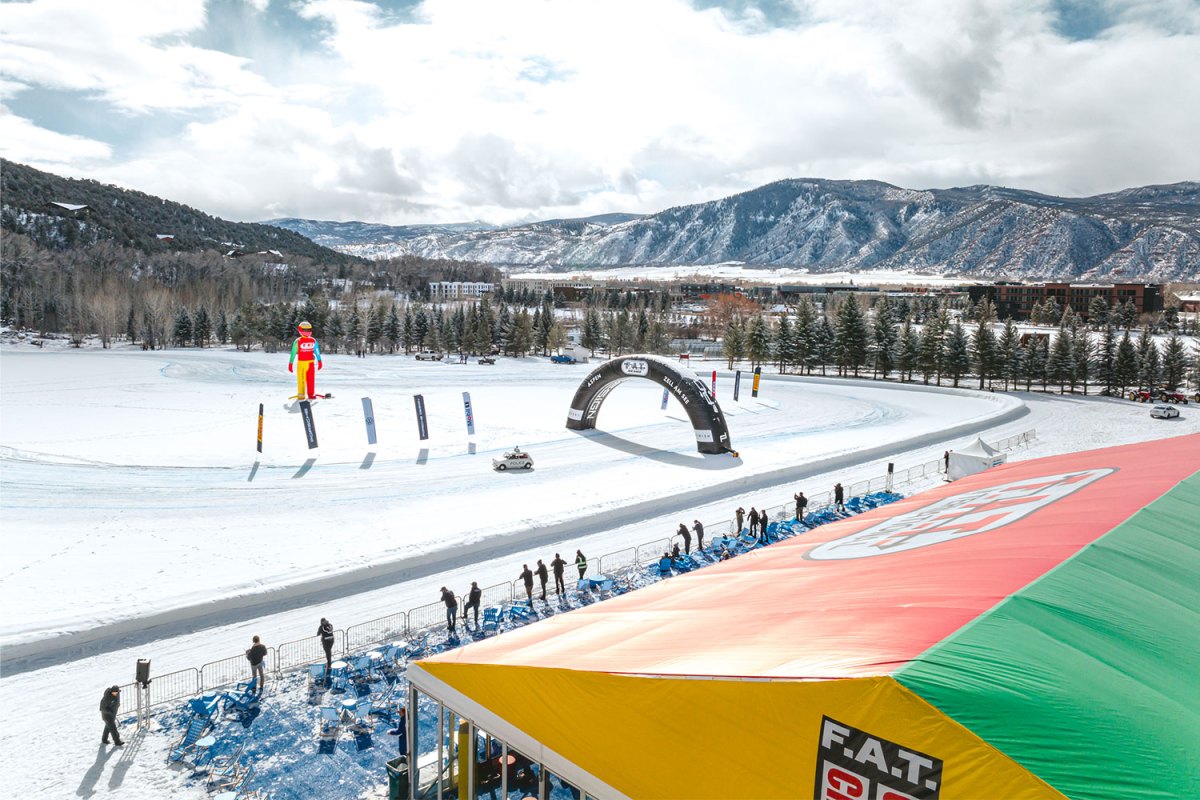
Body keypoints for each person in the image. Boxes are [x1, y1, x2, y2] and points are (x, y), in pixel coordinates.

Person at [287, 321, 323, 400]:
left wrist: (319, 361)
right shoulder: (298, 341)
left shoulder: (313, 341)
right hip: (301, 363)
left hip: (310, 363)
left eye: (308, 330)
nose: (306, 332)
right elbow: (293, 352)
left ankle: (311, 394)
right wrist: (290, 363)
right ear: (300, 330)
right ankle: (301, 394)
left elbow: (317, 351)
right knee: (301, 380)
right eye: (304, 330)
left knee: (311, 380)